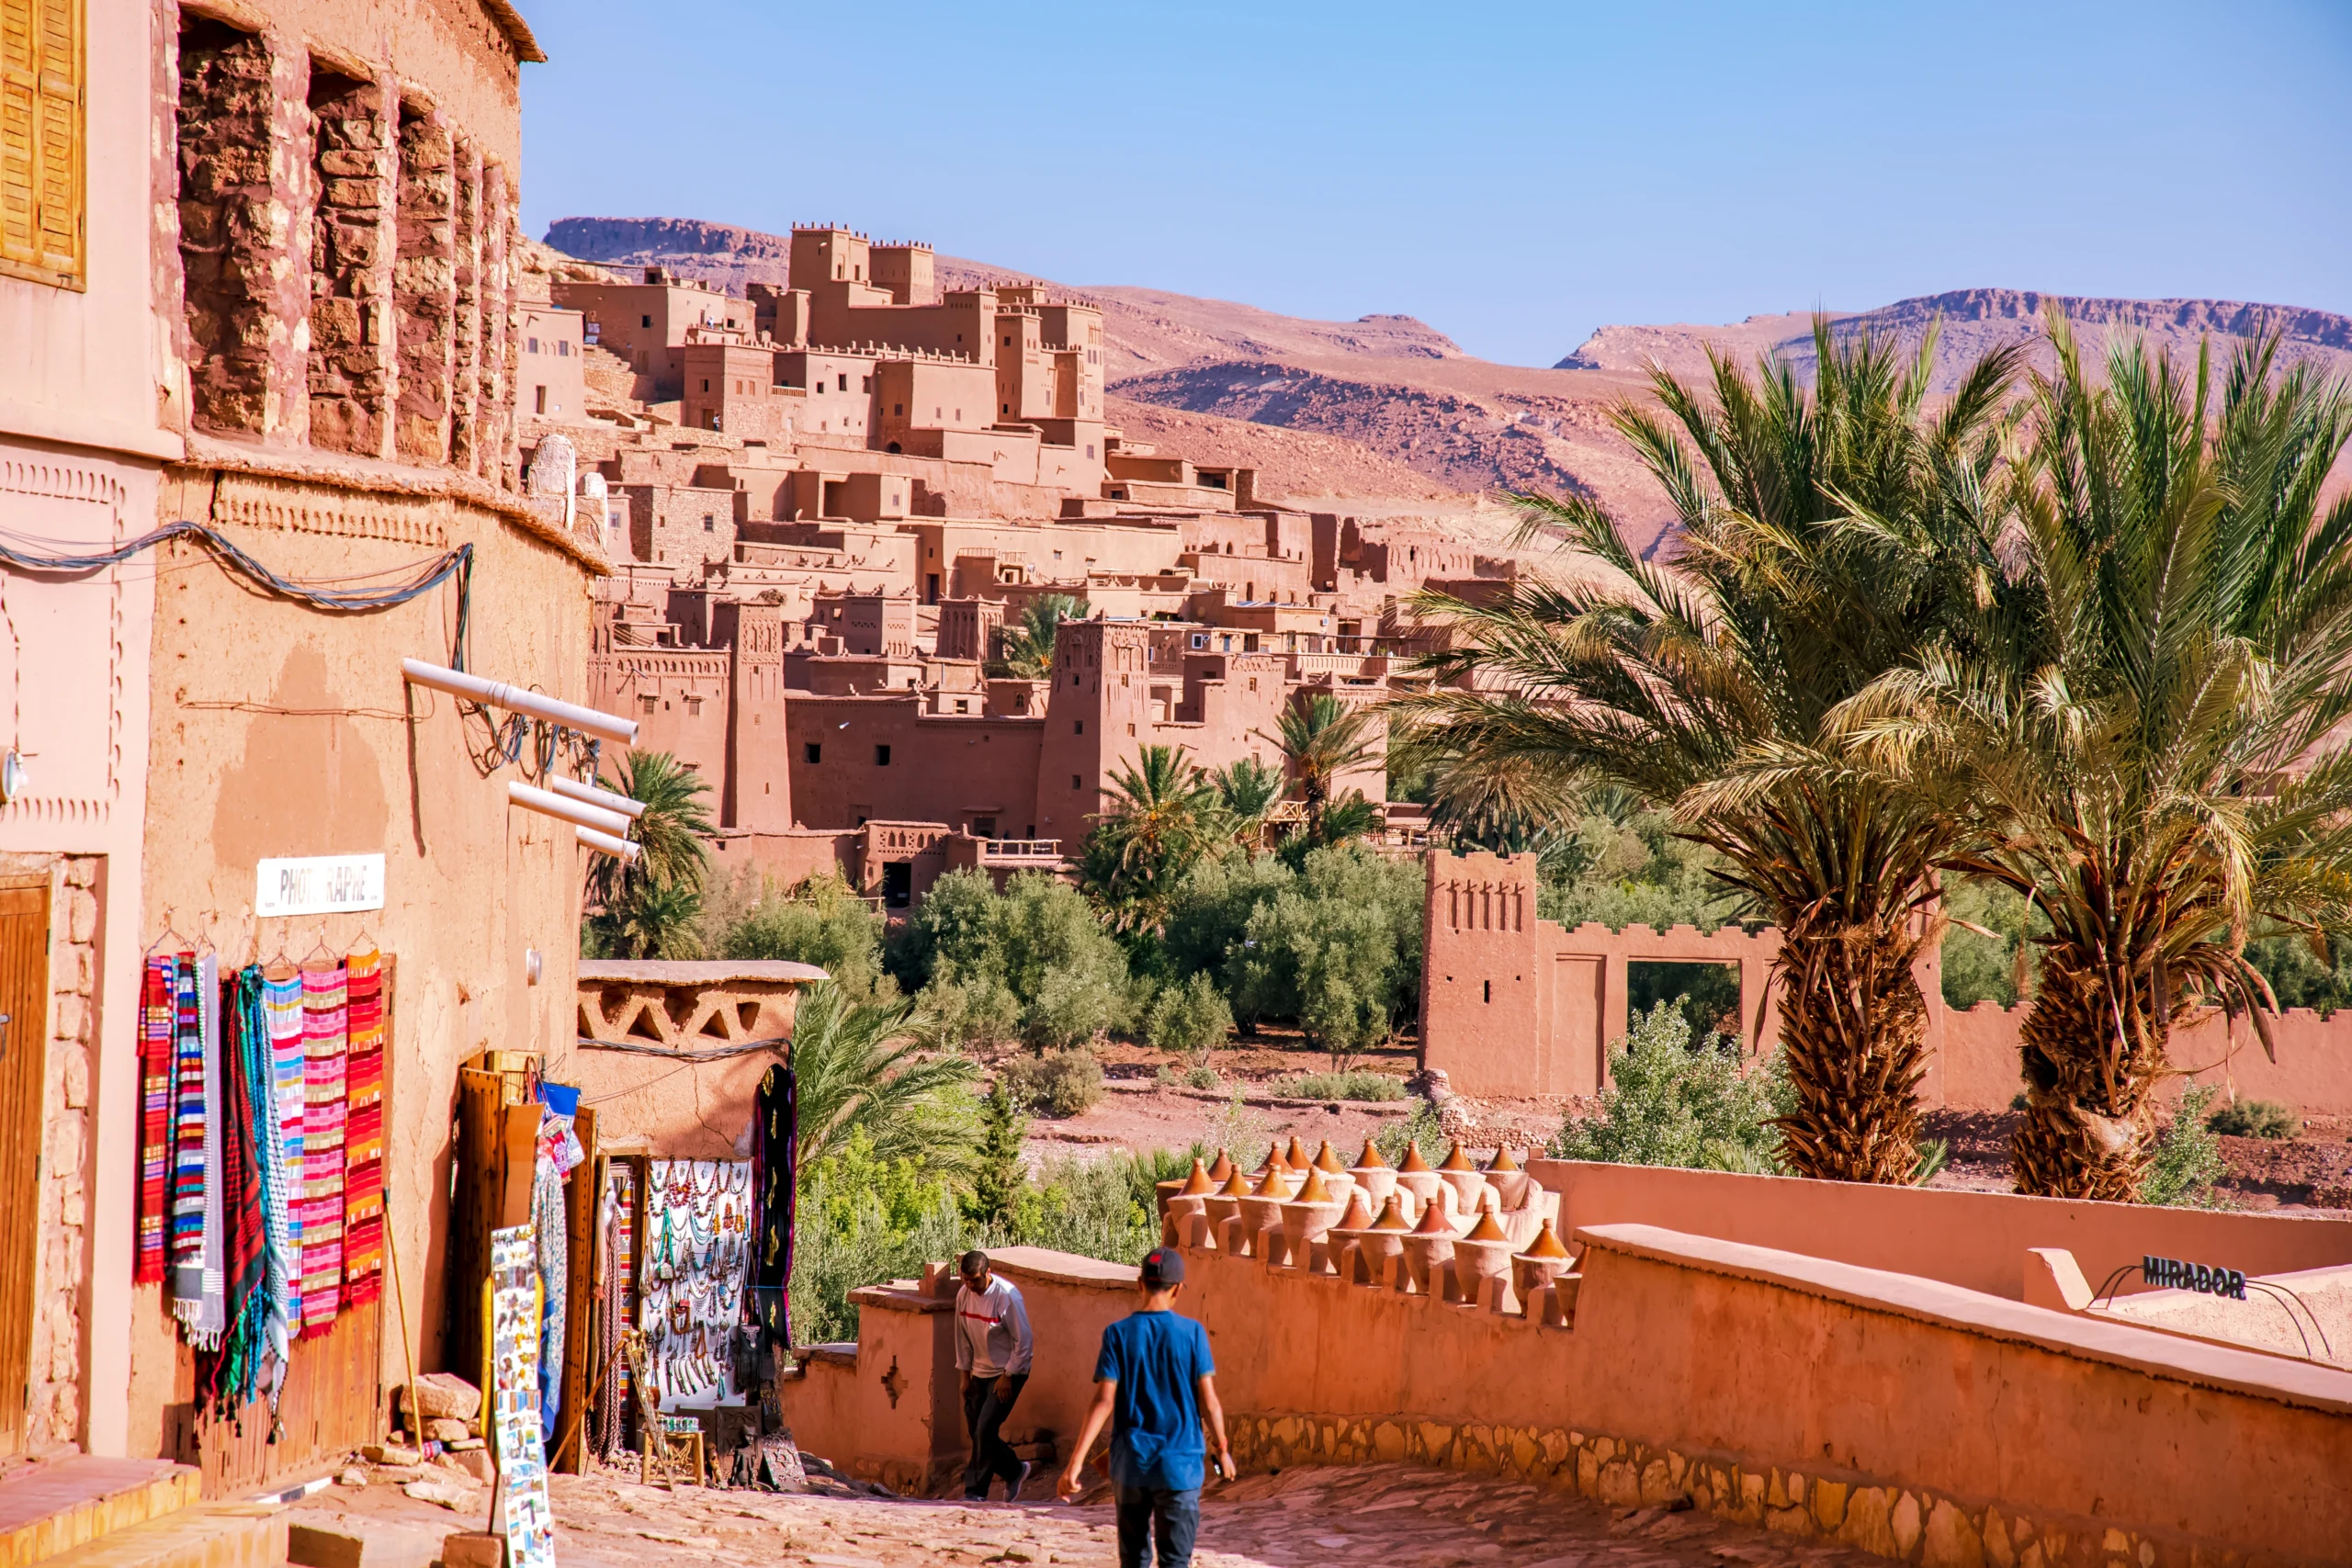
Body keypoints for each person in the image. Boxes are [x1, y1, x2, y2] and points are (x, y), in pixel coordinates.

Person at [1056, 1247, 1235, 1568]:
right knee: (1175, 1560)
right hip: (1180, 1467)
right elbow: (1209, 1401)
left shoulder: (1118, 1334)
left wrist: (1075, 1463)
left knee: (1134, 1560)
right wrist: (1222, 1449)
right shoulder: (1193, 1334)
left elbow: (1103, 1401)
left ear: (1140, 1283)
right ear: (1179, 1288)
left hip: (1131, 1466)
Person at [954, 1249, 1035, 1501]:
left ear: (988, 1273)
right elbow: (962, 1338)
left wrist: (1008, 1375)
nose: (970, 1285)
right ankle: (1015, 1471)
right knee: (976, 1431)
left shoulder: (1007, 1297)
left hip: (1009, 1372)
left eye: (975, 1280)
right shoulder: (963, 1295)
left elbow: (1025, 1342)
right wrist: (965, 1377)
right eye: (965, 1280)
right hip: (979, 1372)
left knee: (985, 1429)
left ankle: (974, 1492)